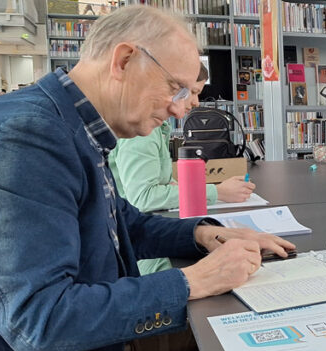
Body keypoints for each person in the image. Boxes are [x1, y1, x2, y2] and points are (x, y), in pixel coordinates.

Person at [0, 5, 305, 351]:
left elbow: (122, 223)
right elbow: (37, 322)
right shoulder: (21, 138)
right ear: (124, 60)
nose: (181, 109)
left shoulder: (71, 127)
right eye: (175, 88)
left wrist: (202, 234)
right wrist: (192, 281)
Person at [109, 63, 255, 275]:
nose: (196, 102)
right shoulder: (145, 132)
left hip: (149, 232)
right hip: (143, 251)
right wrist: (217, 192)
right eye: (192, 93)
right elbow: (142, 197)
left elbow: (153, 184)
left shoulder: (160, 128)